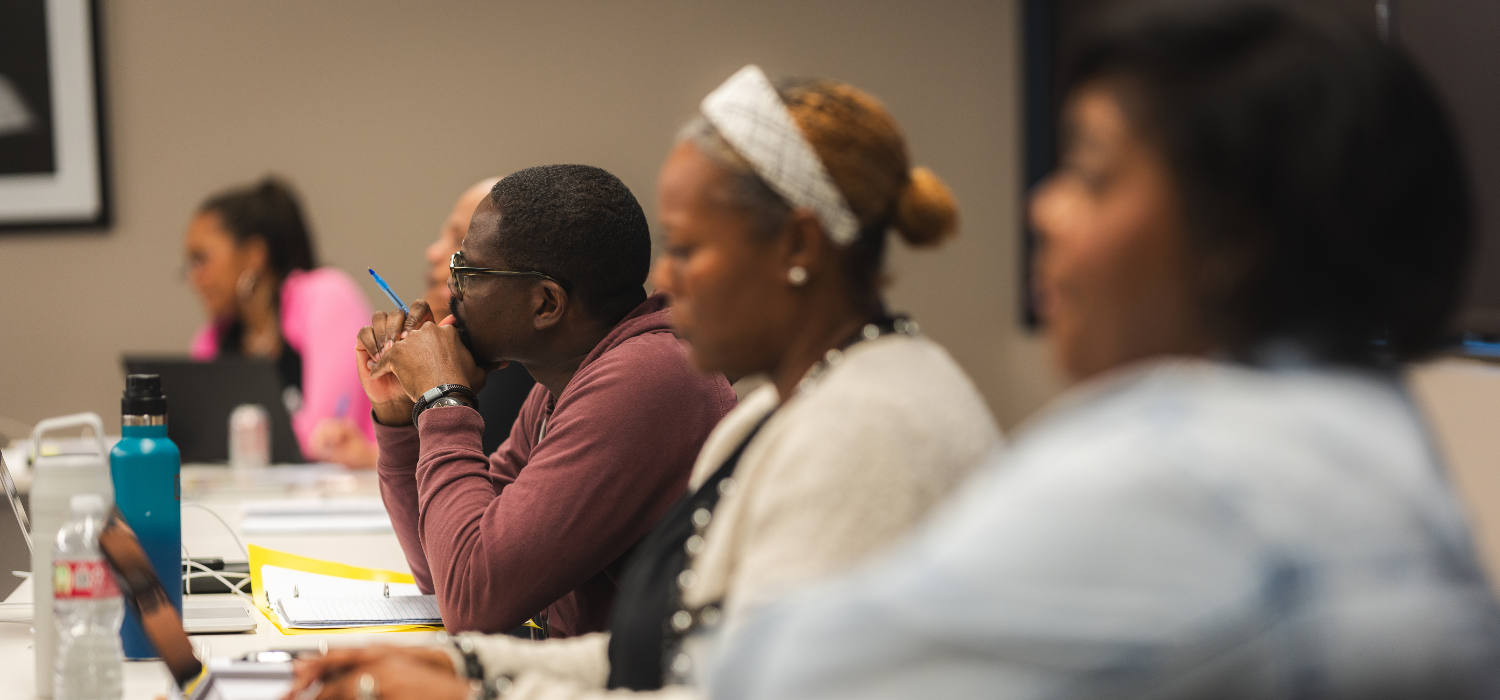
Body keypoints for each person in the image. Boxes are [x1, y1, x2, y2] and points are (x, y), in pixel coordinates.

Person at [704, 3, 1500, 699]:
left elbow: (775, 679)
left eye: (1090, 174)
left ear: (1233, 239)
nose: (1042, 208)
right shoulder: (1377, 441)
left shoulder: (1178, 469)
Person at [285, 66, 1001, 700]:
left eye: (688, 247)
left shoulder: (864, 427)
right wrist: (465, 667)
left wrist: (478, 688)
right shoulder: (786, 411)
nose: (664, 279)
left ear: (798, 246)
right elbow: (677, 652)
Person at [357, 164, 738, 637]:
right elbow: (445, 570)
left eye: (468, 273)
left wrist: (443, 399)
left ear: (546, 303)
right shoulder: (564, 380)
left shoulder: (645, 380)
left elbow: (471, 599)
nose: (453, 291)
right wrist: (401, 414)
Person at [310, 178, 536, 468]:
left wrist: (440, 395)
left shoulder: (520, 380)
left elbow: (471, 483)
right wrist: (396, 419)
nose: (433, 252)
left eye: (460, 242)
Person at [183, 176, 374, 460]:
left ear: (254, 254)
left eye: (201, 259)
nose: (193, 277)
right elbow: (198, 435)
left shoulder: (326, 296)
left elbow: (323, 436)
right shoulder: (211, 339)